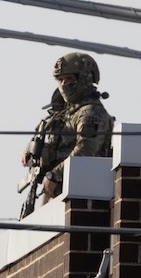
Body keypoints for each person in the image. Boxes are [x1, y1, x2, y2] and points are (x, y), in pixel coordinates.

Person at [19, 51, 114, 215]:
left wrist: (54, 175)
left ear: (84, 78)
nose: (63, 84)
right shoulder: (64, 113)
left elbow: (85, 151)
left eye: (69, 79)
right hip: (57, 193)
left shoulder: (91, 113)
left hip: (81, 195)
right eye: (60, 79)